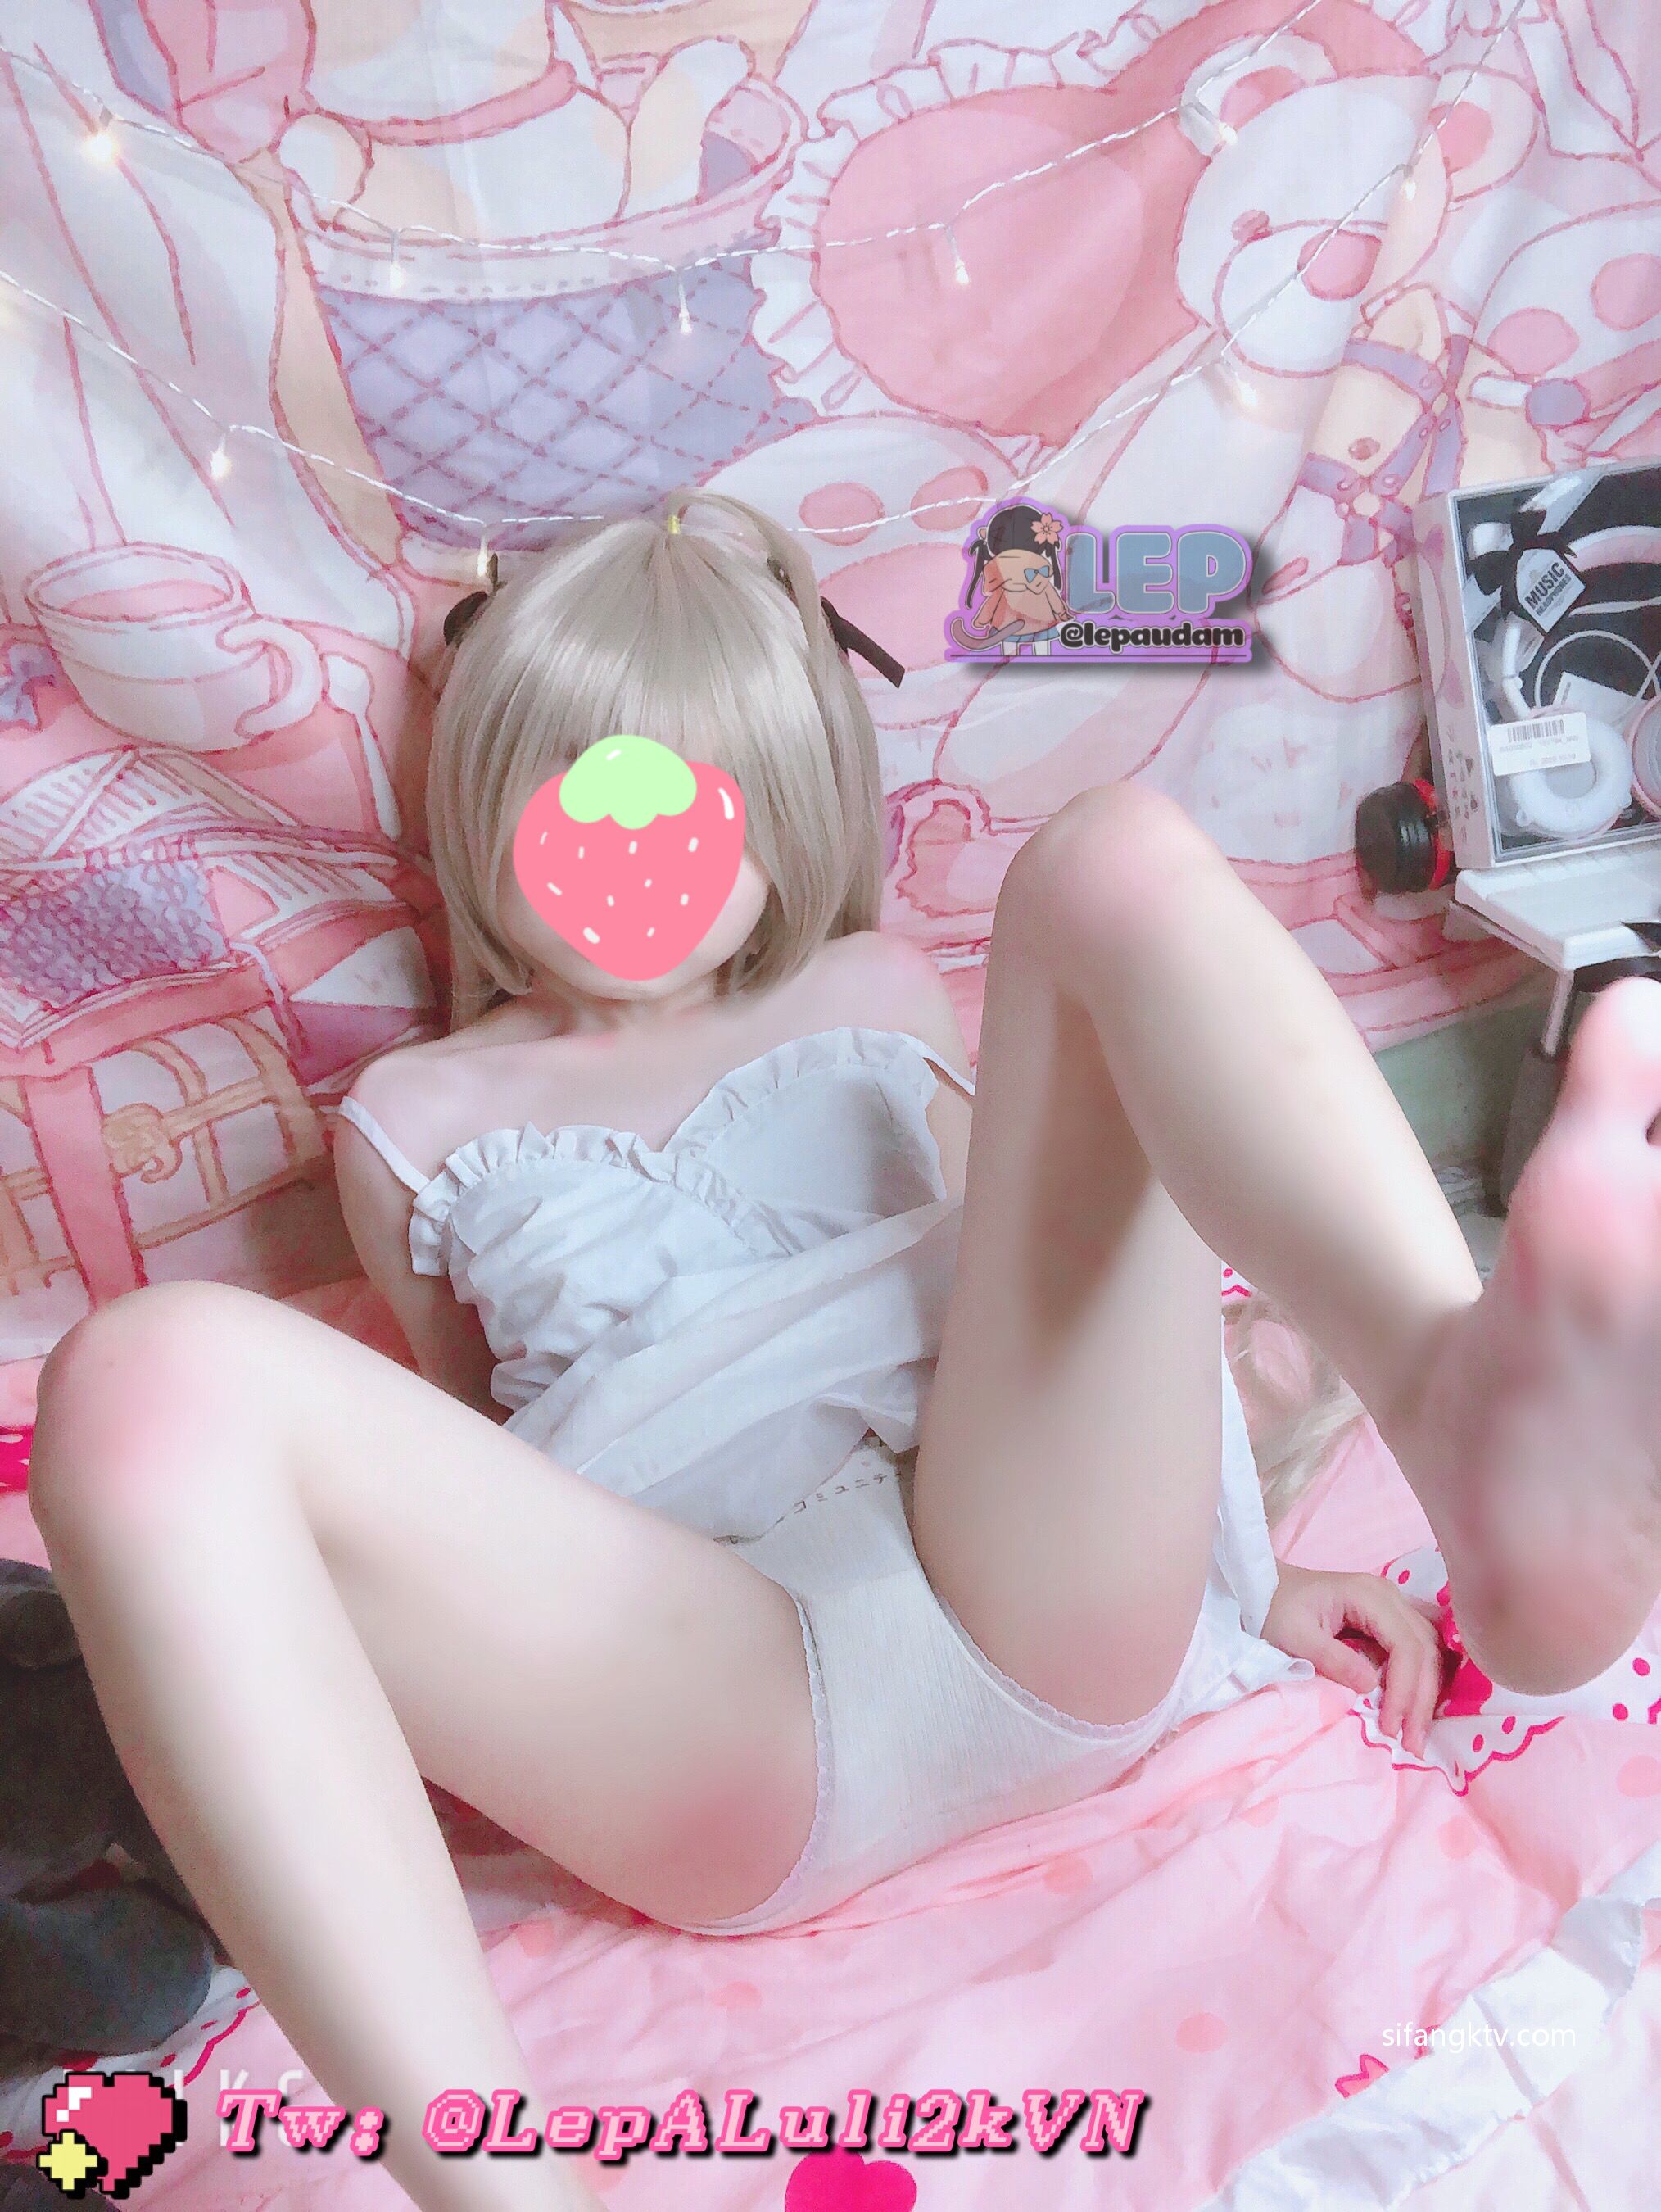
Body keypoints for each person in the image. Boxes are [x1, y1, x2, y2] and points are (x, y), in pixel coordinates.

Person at [29, 492, 1661, 2212]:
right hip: (719, 1684)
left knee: (1110, 854)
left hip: (1026, 1590)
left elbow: (1062, 1275)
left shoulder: (873, 990)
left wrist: (1245, 1582)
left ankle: (1462, 1418)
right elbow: (463, 1474)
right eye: (578, 801)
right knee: (141, 1377)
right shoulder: (413, 1120)